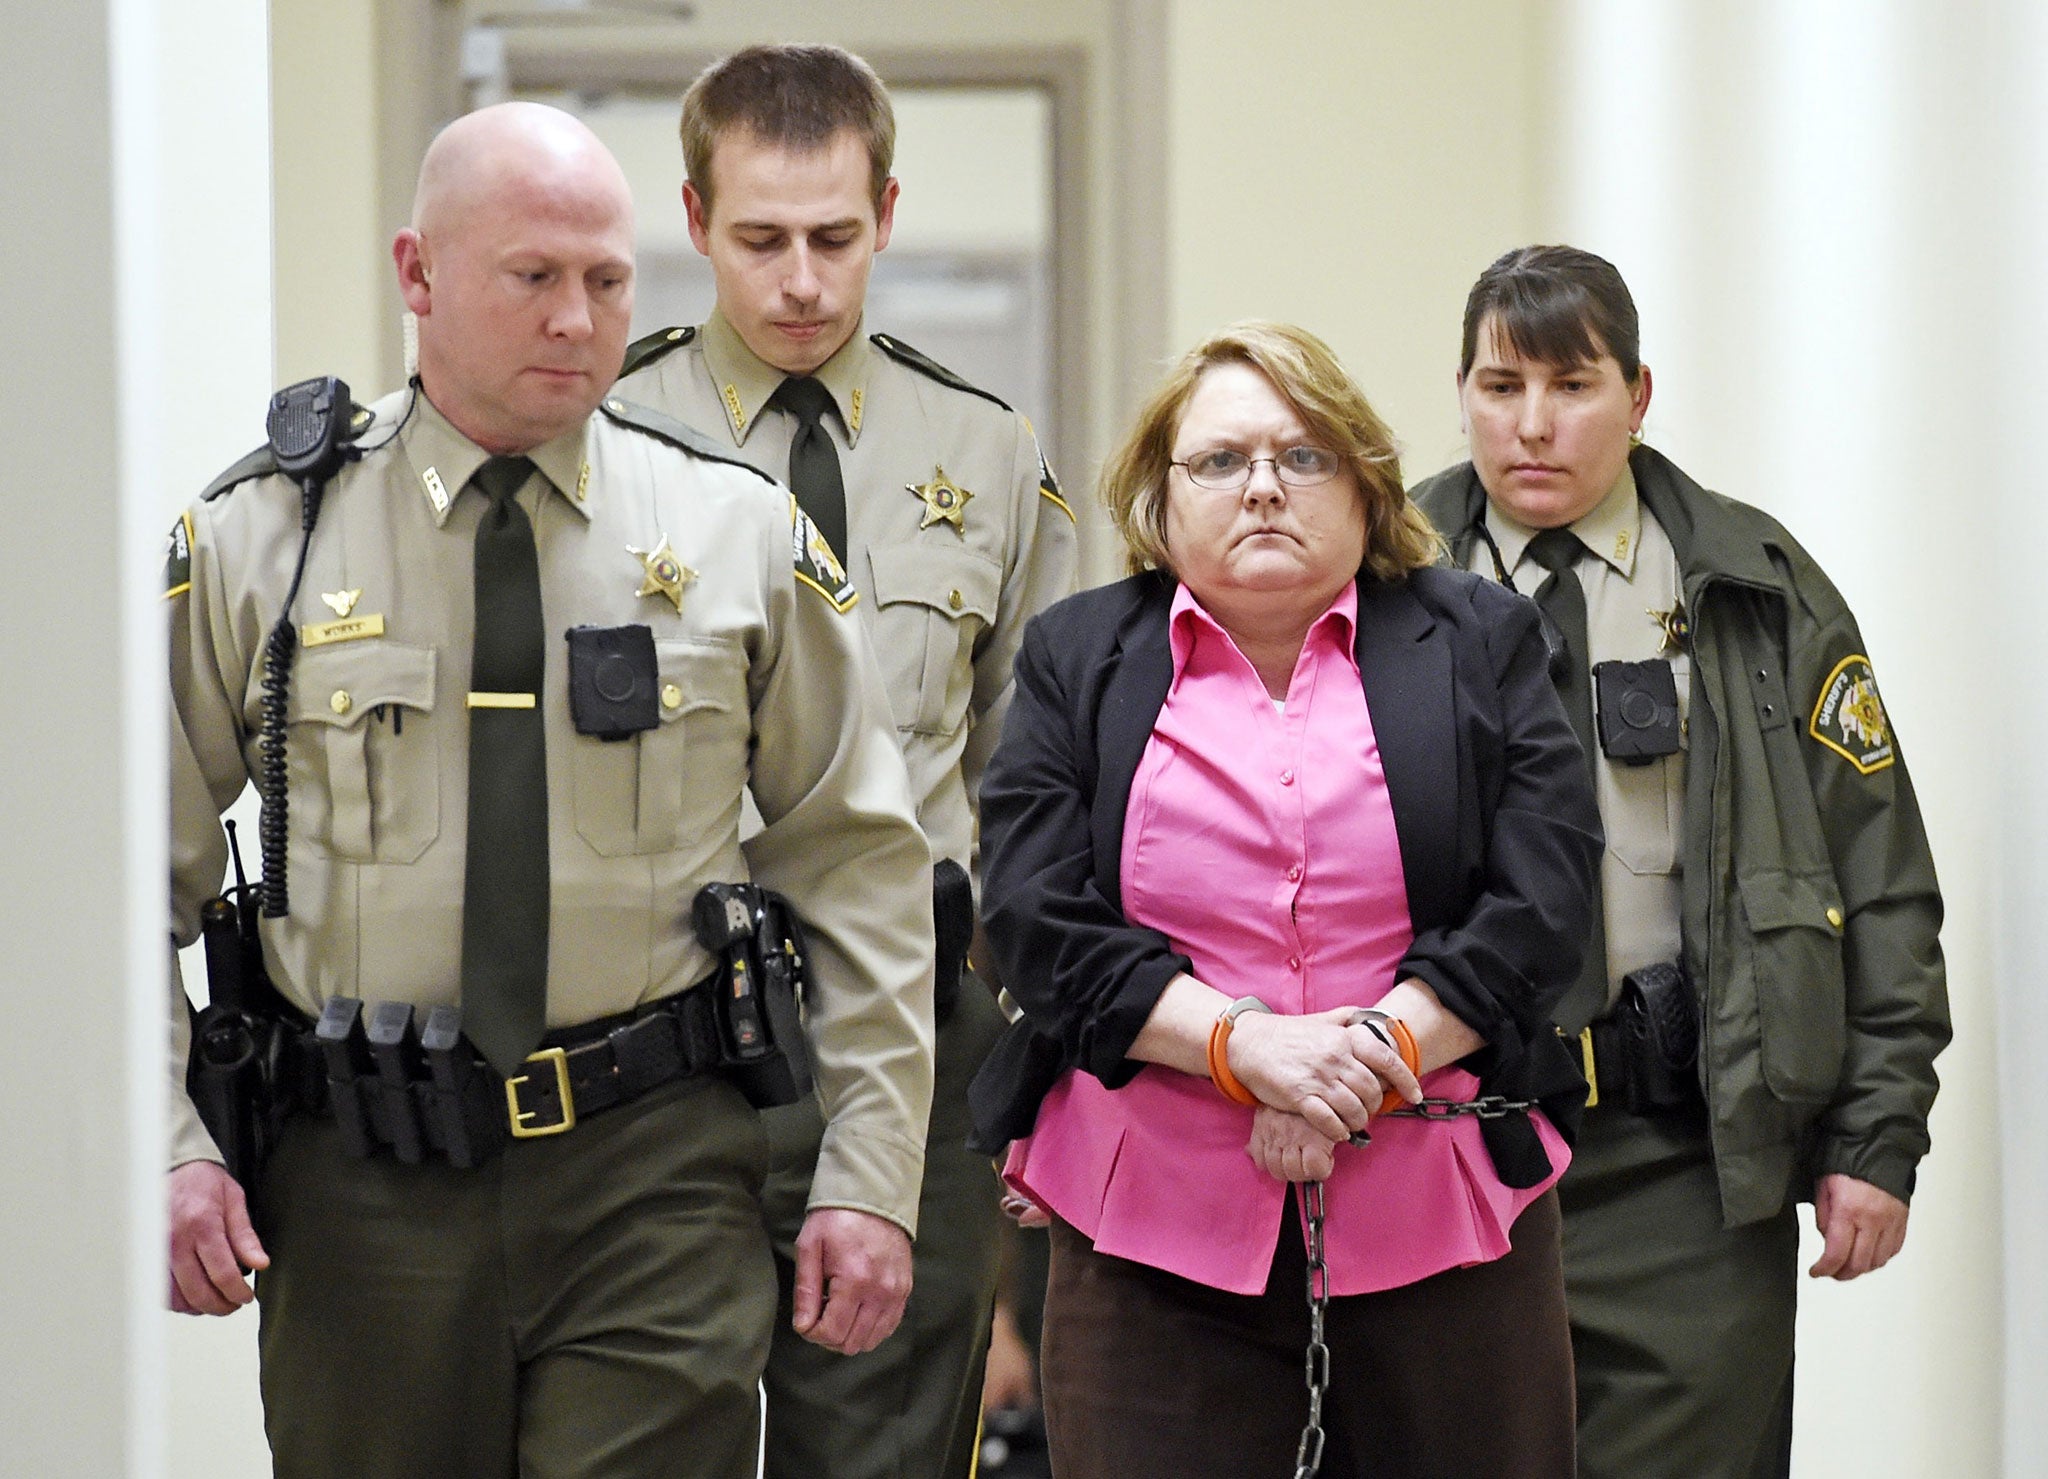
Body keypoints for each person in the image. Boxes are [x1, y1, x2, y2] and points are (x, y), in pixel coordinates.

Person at [163, 101, 936, 1479]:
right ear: (419, 274)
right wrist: (166, 1141)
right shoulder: (261, 539)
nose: (579, 319)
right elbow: (99, 879)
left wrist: (871, 1172)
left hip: (656, 1170)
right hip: (361, 1179)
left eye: (609, 278)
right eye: (534, 277)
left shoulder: (736, 532)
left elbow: (859, 865)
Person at [966, 321, 1603, 1479]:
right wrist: (1241, 1047)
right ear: (1158, 501)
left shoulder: (1480, 640)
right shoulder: (1078, 656)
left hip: (1442, 1218)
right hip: (1149, 1237)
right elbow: (1029, 913)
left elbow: (1544, 896)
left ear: (1365, 488)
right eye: (1218, 461)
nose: (1262, 486)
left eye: (1303, 457)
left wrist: (1357, 1056)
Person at [1412, 244, 1951, 1479]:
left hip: (1685, 1162)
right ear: (1459, 393)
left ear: (1639, 393)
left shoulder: (1752, 586)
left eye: (1571, 385)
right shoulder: (1384, 578)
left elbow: (1876, 873)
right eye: (1499, 388)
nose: (1531, 426)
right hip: (1441, 1150)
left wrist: (1873, 1139)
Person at [615, 44, 1078, 1479]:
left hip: (914, 1040)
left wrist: (1038, 1060)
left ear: (887, 208)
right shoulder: (607, 435)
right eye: (760, 240)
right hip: (659, 1050)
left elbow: (1039, 790)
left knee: (881, 1449)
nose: (801, 280)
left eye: (835, 237)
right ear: (695, 224)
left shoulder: (987, 453)